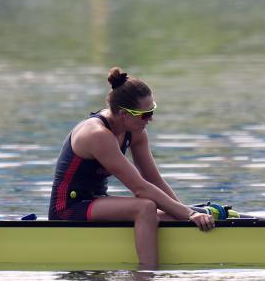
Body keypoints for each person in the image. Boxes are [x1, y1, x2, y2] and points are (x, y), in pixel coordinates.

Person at [48, 68, 216, 269]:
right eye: (145, 115)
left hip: (96, 202)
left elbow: (153, 179)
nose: (150, 119)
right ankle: (146, 278)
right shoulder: (97, 135)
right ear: (124, 114)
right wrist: (189, 214)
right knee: (145, 206)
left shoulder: (135, 131)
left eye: (152, 111)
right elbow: (140, 189)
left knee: (171, 212)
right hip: (68, 208)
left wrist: (185, 212)